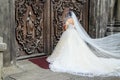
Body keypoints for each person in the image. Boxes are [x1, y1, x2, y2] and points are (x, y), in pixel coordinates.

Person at [47, 11, 120, 77]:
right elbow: (75, 28)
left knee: (67, 46)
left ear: (68, 16)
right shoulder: (73, 21)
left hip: (68, 33)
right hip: (74, 34)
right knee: (75, 46)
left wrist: (64, 25)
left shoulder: (67, 20)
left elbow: (65, 28)